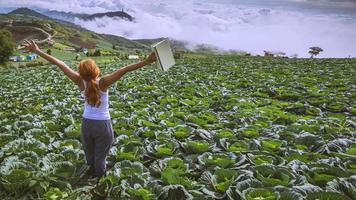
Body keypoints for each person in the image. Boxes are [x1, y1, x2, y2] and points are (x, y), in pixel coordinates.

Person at [23, 40, 157, 179]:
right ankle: (98, 183)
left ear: (80, 73)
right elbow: (125, 69)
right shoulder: (104, 82)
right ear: (96, 70)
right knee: (100, 159)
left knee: (90, 157)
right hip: (103, 125)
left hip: (86, 124)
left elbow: (60, 64)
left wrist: (37, 51)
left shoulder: (79, 81)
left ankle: (89, 180)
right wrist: (147, 61)